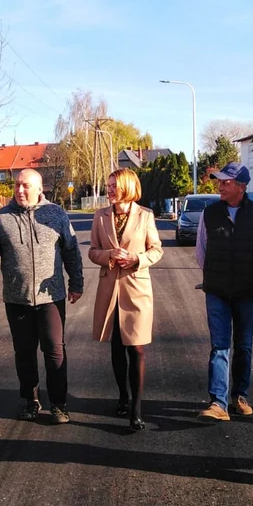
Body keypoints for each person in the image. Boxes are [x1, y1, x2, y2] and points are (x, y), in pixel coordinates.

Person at [0, 169, 84, 424]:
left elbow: (71, 250)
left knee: (55, 351)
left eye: (25, 186)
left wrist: (76, 282)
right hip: (17, 299)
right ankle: (31, 400)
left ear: (39, 189)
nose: (19, 190)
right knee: (24, 352)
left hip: (51, 297)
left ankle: (59, 404)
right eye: (16, 185)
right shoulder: (0, 218)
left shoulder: (56, 214)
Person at [195, 162, 253, 421]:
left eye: (226, 182)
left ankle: (240, 395)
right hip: (217, 292)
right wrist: (214, 277)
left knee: (243, 346)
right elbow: (201, 252)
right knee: (219, 346)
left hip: (247, 293)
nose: (220, 185)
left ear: (242, 187)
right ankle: (218, 403)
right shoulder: (210, 214)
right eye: (219, 181)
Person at [88, 169, 164, 431]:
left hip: (137, 289)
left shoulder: (145, 215)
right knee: (117, 347)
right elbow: (92, 251)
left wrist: (137, 259)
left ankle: (137, 408)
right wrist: (109, 254)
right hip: (109, 290)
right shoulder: (100, 216)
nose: (109, 190)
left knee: (137, 348)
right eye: (108, 185)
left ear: (127, 187)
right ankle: (123, 395)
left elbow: (156, 250)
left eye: (113, 186)